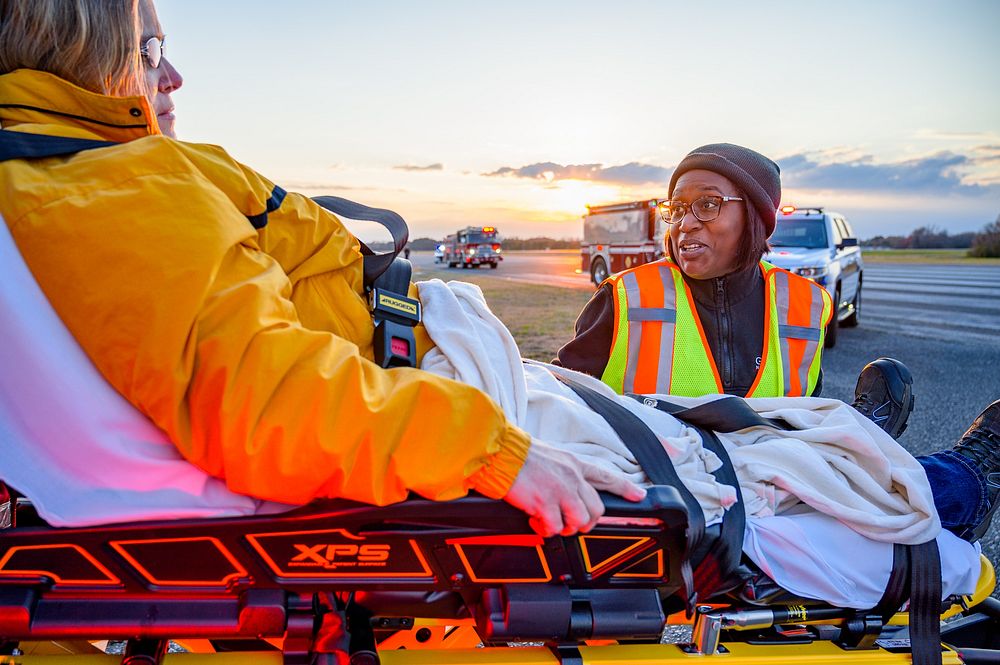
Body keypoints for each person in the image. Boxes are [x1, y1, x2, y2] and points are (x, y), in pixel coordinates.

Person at [0, 0, 647, 540]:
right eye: (148, 52)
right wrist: (491, 450)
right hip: (432, 385)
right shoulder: (114, 188)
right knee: (709, 466)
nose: (171, 77)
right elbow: (266, 398)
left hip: (420, 360)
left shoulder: (83, 175)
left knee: (680, 426)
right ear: (87, 56)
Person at [555, 143, 914, 438]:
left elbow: (803, 410)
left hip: (770, 484)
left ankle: (863, 438)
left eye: (708, 204)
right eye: (677, 209)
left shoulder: (807, 304)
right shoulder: (624, 296)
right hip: (656, 485)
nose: (685, 223)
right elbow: (558, 401)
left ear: (755, 217)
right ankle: (865, 437)